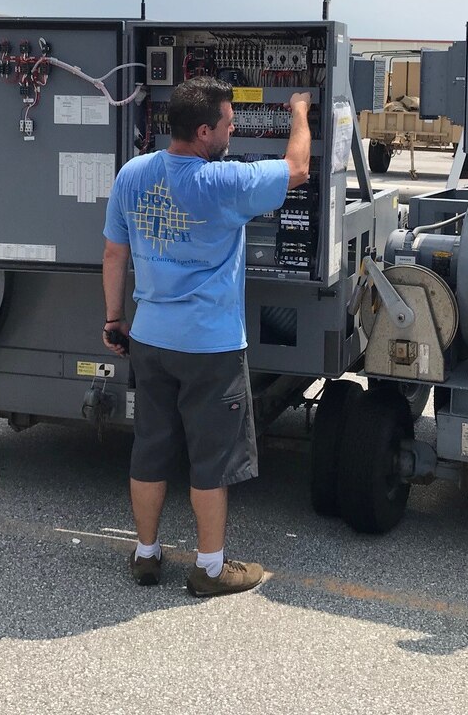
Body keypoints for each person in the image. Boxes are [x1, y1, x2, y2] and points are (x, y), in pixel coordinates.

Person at [102, 76, 311, 596]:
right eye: (227, 123)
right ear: (202, 132)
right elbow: (299, 169)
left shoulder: (133, 174)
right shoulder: (223, 183)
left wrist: (113, 320)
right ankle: (210, 569)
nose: (234, 129)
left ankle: (147, 556)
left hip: (150, 337)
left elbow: (113, 254)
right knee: (210, 460)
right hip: (210, 347)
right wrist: (301, 111)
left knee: (150, 449)